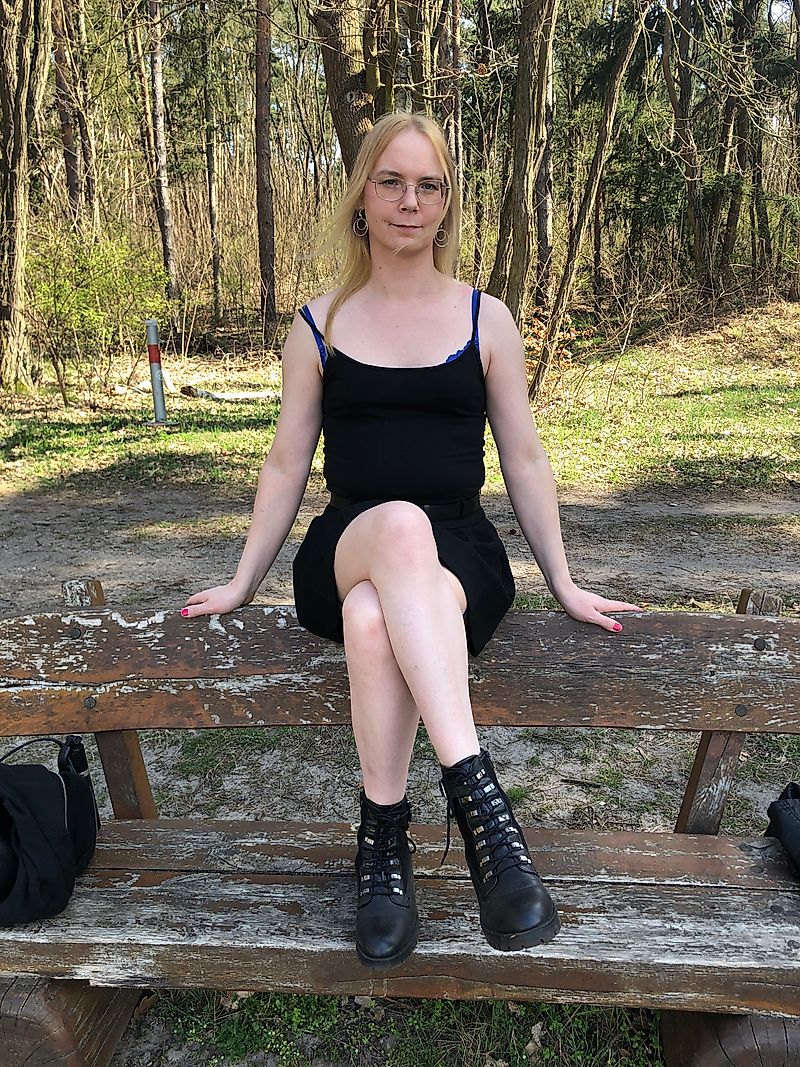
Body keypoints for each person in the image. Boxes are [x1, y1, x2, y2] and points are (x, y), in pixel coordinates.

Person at [183, 111, 641, 971]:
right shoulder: (318, 325)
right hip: (349, 538)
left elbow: (525, 459)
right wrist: (243, 579)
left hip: (459, 551)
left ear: (447, 202)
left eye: (429, 185)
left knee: (373, 618)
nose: (409, 200)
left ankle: (384, 850)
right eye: (391, 181)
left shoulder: (485, 319)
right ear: (362, 194)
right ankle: (484, 813)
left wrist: (565, 581)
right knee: (395, 525)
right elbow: (285, 462)